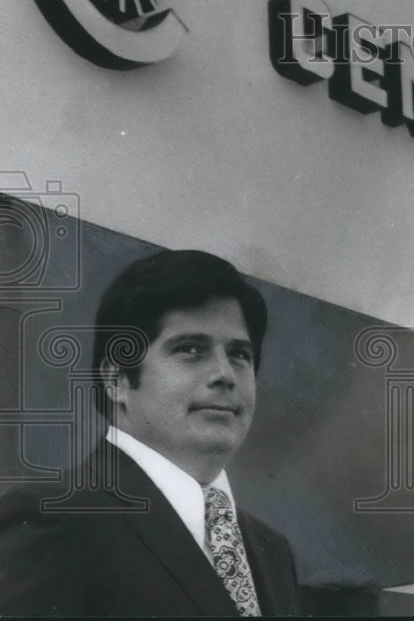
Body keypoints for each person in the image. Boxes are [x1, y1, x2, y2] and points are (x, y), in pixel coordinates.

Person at [0, 249, 301, 616]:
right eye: (190, 349)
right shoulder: (55, 518)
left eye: (240, 354)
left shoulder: (271, 549)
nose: (225, 374)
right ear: (117, 380)